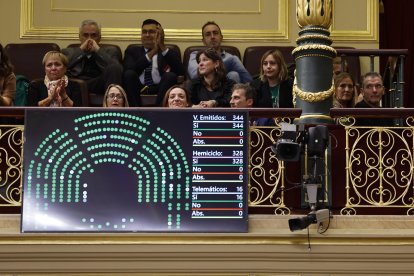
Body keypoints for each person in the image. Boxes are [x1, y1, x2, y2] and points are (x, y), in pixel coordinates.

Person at [123, 19, 184, 107]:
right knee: (129, 74)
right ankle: (136, 112)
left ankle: (158, 111)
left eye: (151, 32)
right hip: (138, 87)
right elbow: (130, 70)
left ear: (160, 35)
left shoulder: (169, 52)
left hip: (160, 87)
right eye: (144, 32)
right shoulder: (132, 51)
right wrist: (153, 51)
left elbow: (180, 72)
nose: (147, 35)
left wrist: (161, 46)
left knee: (170, 76)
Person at [62, 19, 123, 95]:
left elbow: (118, 70)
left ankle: (112, 104)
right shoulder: (68, 51)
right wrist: (81, 50)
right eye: (85, 35)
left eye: (93, 35)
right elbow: (62, 67)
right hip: (77, 83)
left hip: (99, 83)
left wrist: (98, 50)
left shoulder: (111, 51)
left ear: (100, 38)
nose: (89, 39)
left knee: (114, 68)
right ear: (79, 37)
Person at [187, 21, 252, 83]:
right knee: (234, 59)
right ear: (203, 41)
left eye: (215, 33)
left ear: (221, 37)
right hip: (204, 89)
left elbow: (244, 82)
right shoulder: (195, 55)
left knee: (234, 75)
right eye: (208, 34)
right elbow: (195, 76)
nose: (212, 37)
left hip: (226, 90)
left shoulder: (229, 57)